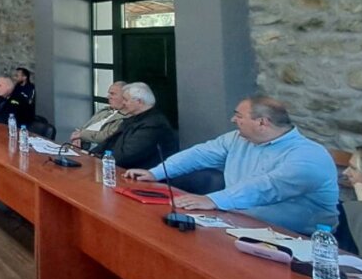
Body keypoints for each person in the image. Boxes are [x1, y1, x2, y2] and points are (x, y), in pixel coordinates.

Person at [124, 96, 338, 234]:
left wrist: (213, 200)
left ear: (262, 122)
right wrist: (156, 173)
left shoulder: (308, 155)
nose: (233, 120)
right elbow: (199, 154)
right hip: (239, 223)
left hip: (300, 238)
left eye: (239, 116)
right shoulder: (238, 139)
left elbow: (268, 187)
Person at [100, 82, 177, 170]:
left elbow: (127, 156)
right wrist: (93, 153)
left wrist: (102, 158)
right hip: (120, 168)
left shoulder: (153, 124)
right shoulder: (133, 119)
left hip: (141, 174)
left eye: (126, 100)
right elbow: (110, 141)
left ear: (139, 101)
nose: (123, 103)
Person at [70, 81, 127, 152]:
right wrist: (77, 138)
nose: (108, 97)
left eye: (112, 94)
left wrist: (82, 135)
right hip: (81, 146)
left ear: (125, 97)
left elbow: (109, 136)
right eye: (109, 94)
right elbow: (84, 127)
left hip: (98, 151)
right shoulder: (104, 111)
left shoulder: (126, 118)